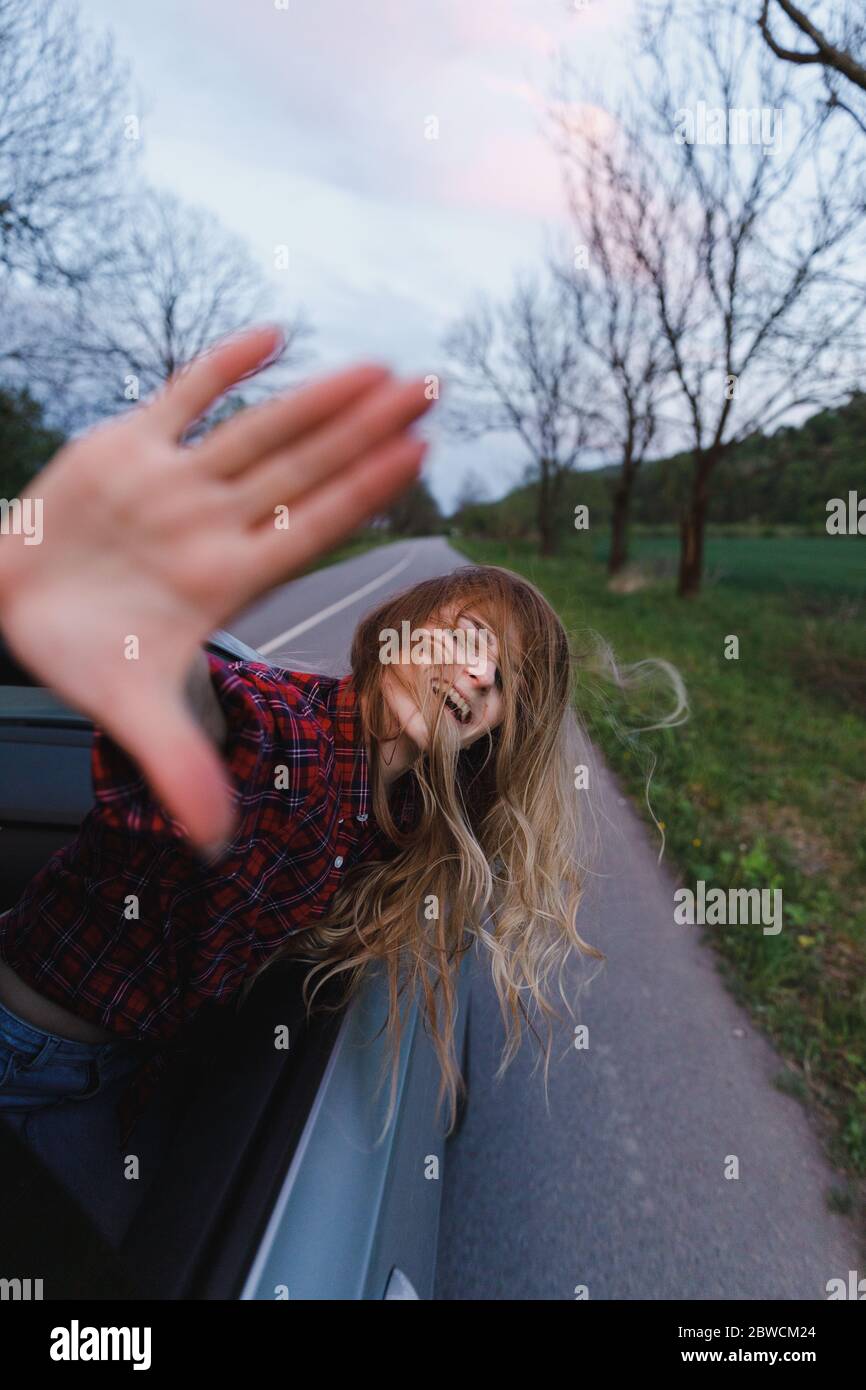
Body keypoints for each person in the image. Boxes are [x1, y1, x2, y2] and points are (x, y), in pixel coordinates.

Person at [0, 325, 680, 1243]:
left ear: (498, 728)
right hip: (27, 1051)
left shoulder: (399, 820)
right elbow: (223, 721)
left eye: (508, 683)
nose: (480, 675)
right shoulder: (295, 734)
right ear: (402, 625)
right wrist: (139, 637)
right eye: (469, 635)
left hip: (119, 1069)